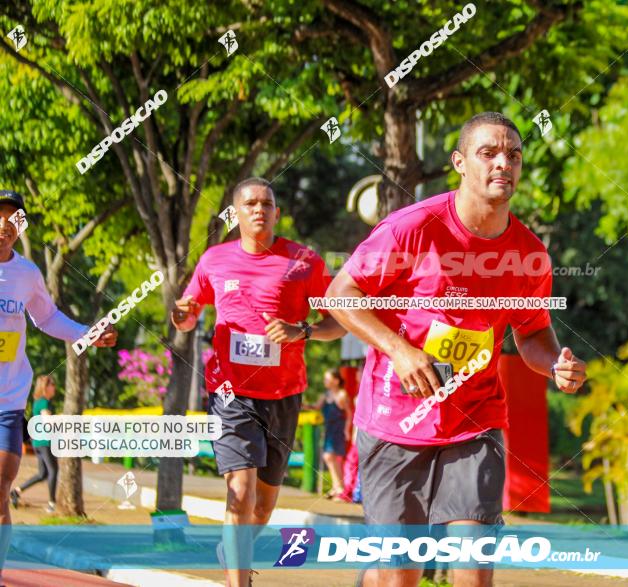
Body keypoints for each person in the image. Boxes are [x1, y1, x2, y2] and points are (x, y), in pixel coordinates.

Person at [326, 112, 587, 587]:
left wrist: (556, 365)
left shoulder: (529, 253)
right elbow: (341, 296)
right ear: (460, 163)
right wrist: (401, 350)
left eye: (512, 155)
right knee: (399, 575)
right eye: (488, 154)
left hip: (475, 418)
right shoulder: (413, 228)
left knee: (472, 569)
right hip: (394, 419)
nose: (502, 164)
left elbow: (531, 334)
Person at [171, 178, 345, 587]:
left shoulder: (305, 262)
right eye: (250, 203)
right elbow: (190, 312)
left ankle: (233, 549)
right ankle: (239, 580)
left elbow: (337, 323)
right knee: (241, 493)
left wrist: (301, 330)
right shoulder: (214, 260)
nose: (259, 209)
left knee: (262, 508)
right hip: (230, 393)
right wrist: (183, 317)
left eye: (267, 203)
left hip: (284, 394)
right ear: (236, 213)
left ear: (277, 213)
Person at [0, 190, 117, 582]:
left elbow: (47, 319)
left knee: (1, 487)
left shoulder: (27, 274)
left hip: (9, 397)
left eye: (13, 219)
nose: (4, 225)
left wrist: (88, 332)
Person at [11, 375, 59, 512]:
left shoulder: (38, 402)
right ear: (45, 387)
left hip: (38, 443)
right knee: (53, 471)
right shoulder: (44, 403)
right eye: (52, 385)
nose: (54, 387)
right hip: (45, 442)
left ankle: (17, 491)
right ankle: (51, 504)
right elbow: (48, 421)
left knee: (42, 474)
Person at [313, 369, 352, 500]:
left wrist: (347, 430)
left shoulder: (341, 394)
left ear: (336, 381)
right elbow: (316, 407)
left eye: (327, 379)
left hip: (338, 428)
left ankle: (340, 488)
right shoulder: (326, 395)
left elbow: (349, 414)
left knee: (330, 456)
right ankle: (337, 487)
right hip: (328, 428)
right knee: (330, 457)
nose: (325, 382)